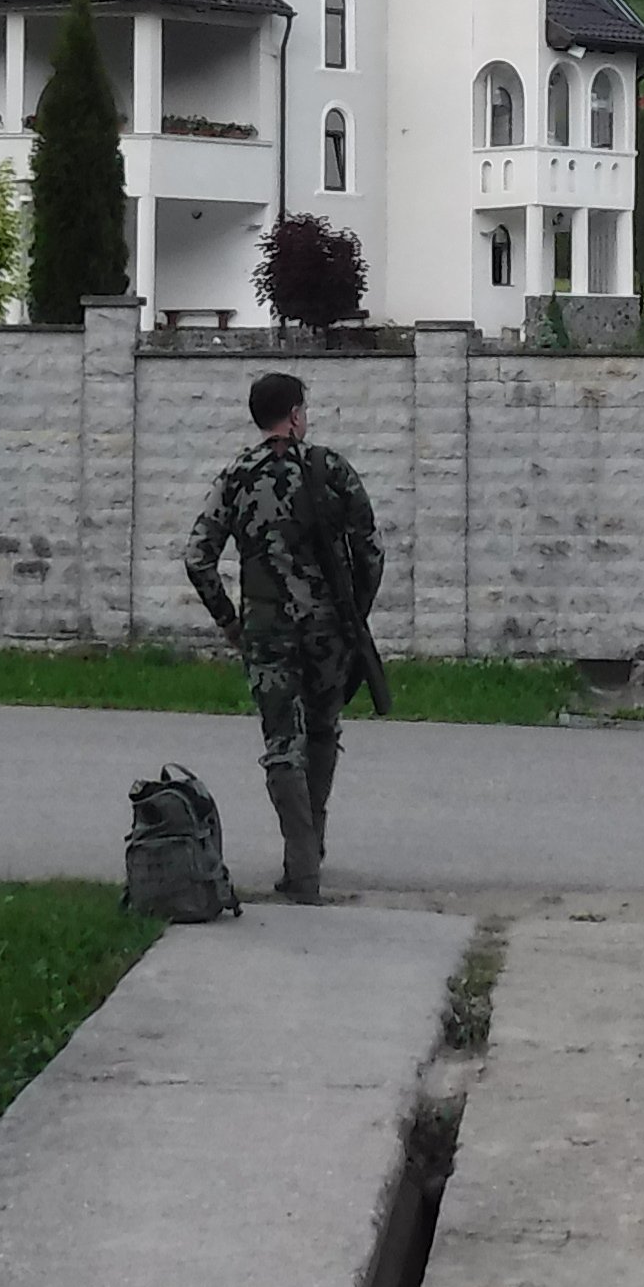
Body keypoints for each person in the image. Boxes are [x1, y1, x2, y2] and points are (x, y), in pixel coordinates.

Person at [183, 370, 382, 904]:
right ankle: (308, 858)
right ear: (295, 415)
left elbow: (197, 557)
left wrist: (229, 620)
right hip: (326, 629)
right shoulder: (329, 468)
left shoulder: (237, 476)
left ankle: (302, 864)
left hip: (266, 631)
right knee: (321, 732)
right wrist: (353, 614)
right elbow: (370, 550)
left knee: (281, 744)